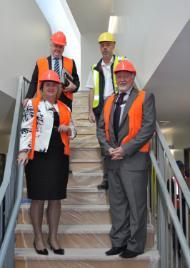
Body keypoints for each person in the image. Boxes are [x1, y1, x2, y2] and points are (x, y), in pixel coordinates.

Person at [97, 60, 156, 258]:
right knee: (117, 205)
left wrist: (125, 149)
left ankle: (135, 245)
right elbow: (100, 129)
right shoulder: (109, 100)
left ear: (133, 76)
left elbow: (147, 128)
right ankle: (119, 242)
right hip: (113, 160)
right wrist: (108, 149)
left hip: (134, 160)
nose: (122, 78)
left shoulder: (144, 97)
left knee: (136, 205)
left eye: (126, 75)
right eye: (119, 75)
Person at [18, 70, 76, 255]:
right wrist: (23, 150)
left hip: (59, 157)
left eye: (54, 85)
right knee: (38, 198)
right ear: (42, 88)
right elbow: (26, 128)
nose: (51, 88)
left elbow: (74, 132)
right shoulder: (32, 105)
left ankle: (53, 237)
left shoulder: (65, 108)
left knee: (56, 198)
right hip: (38, 157)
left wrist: (68, 129)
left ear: (59, 88)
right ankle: (38, 237)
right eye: (47, 85)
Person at [86, 32, 127, 190]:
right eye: (102, 45)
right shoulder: (95, 68)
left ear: (113, 45)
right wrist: (89, 111)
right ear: (99, 47)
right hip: (101, 109)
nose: (105, 47)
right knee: (104, 143)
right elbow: (91, 90)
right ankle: (107, 179)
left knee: (120, 140)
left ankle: (121, 176)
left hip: (118, 106)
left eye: (108, 44)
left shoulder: (122, 62)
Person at [24, 31, 80, 110]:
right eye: (55, 46)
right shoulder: (40, 62)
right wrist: (28, 97)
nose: (57, 49)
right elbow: (34, 82)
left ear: (64, 48)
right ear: (51, 45)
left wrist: (74, 87)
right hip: (43, 102)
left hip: (65, 102)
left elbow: (76, 80)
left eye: (60, 47)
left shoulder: (71, 62)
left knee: (63, 122)